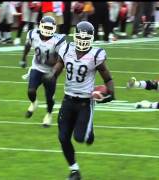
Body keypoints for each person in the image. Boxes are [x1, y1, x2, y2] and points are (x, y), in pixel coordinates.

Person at [45, 21, 114, 180]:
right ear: (75, 36)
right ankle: (74, 171)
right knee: (63, 137)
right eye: (80, 38)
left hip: (85, 102)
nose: (82, 41)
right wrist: (53, 75)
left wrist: (111, 93)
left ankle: (90, 132)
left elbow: (107, 78)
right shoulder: (67, 49)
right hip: (68, 99)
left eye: (86, 38)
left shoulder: (96, 55)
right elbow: (60, 64)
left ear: (92, 38)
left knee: (80, 138)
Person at [19, 16, 66, 127]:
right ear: (40, 26)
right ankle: (34, 103)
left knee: (49, 97)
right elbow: (27, 46)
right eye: (45, 27)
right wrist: (23, 58)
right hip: (37, 67)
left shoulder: (58, 40)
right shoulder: (33, 34)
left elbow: (61, 60)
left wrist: (54, 73)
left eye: (50, 28)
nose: (47, 30)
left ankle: (48, 115)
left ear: (54, 29)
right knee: (31, 91)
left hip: (51, 71)